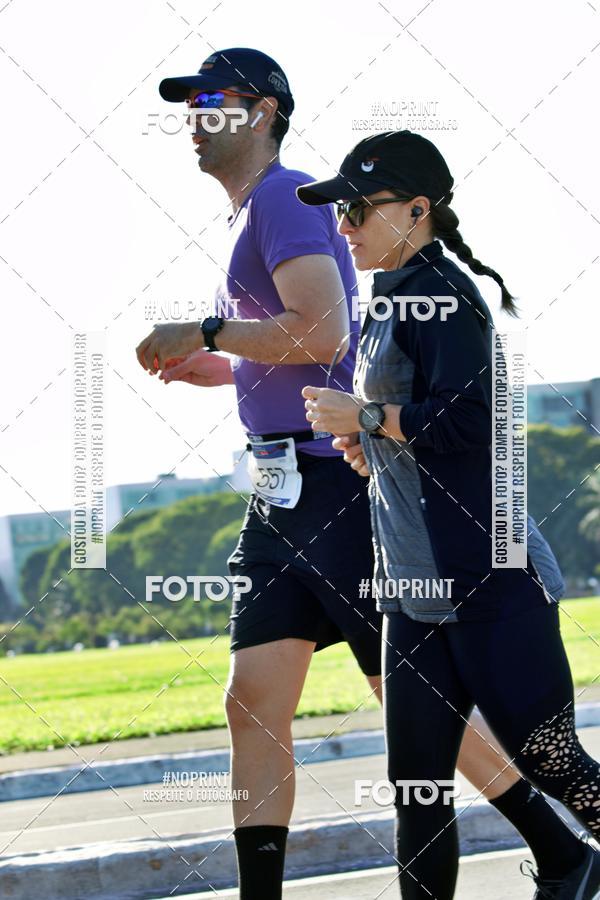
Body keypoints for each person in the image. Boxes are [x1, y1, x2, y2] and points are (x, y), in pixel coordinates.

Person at [299, 130, 600, 900]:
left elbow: (471, 419)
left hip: (487, 579)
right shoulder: (388, 296)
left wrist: (366, 420)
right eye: (342, 212)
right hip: (411, 592)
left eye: (360, 210)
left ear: (418, 209)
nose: (346, 227)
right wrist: (373, 446)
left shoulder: (443, 292)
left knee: (552, 760)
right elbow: (417, 426)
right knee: (419, 794)